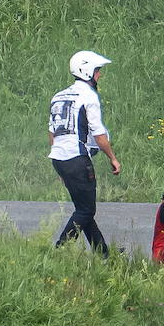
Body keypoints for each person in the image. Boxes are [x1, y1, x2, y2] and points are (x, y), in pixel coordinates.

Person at [49, 50, 122, 256]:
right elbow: (99, 134)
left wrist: (61, 167)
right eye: (97, 71)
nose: (99, 75)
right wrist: (113, 159)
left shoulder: (58, 96)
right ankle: (59, 250)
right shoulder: (89, 95)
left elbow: (52, 132)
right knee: (86, 210)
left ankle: (103, 254)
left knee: (83, 208)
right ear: (87, 71)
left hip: (59, 158)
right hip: (77, 158)